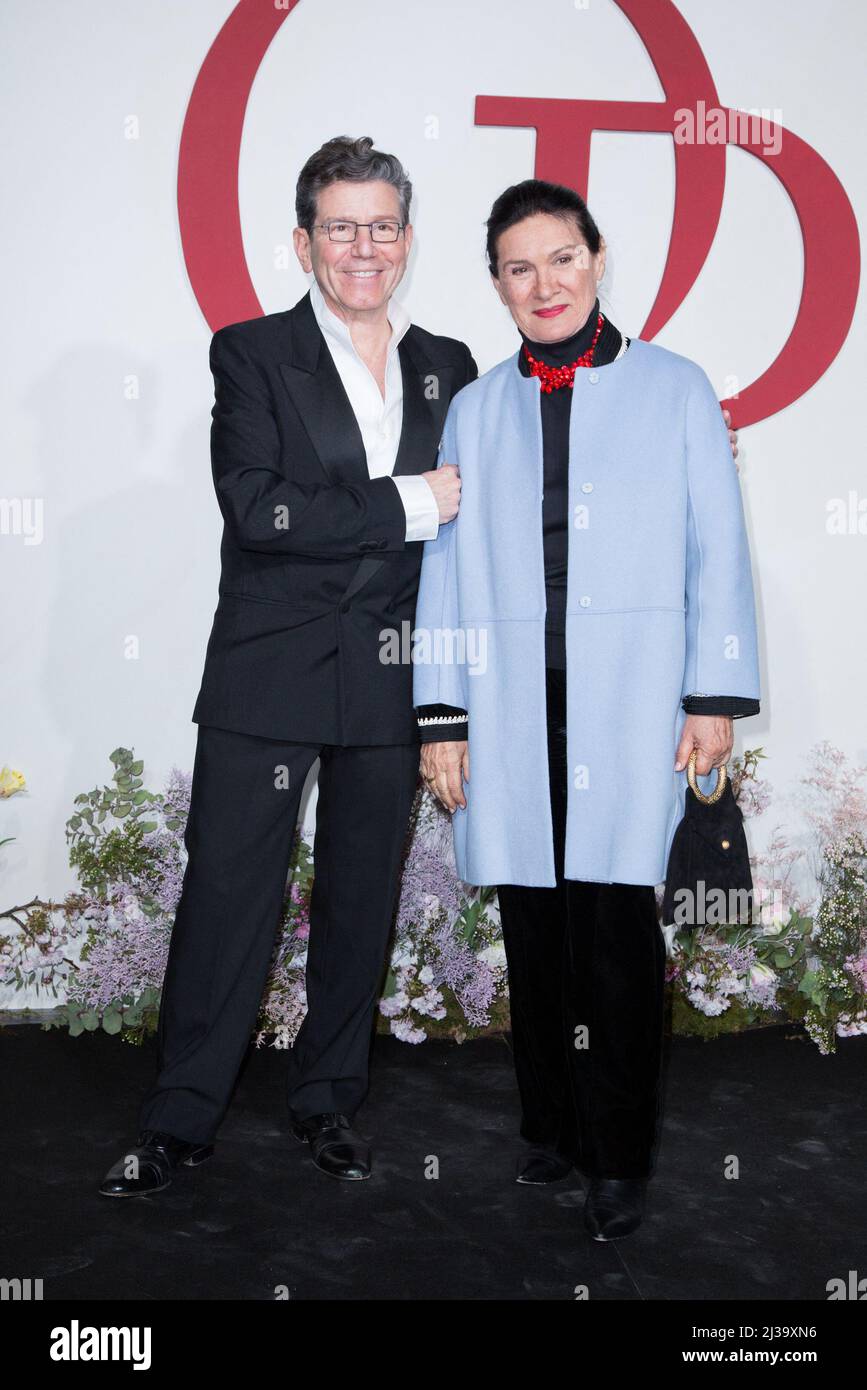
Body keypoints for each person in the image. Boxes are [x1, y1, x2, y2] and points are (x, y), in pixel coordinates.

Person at [99, 135, 471, 1196]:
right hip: (269, 666)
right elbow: (260, 513)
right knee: (228, 895)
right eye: (343, 226)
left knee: (363, 898)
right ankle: (180, 1119)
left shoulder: (450, 364)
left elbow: (486, 522)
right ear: (304, 240)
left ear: (407, 237)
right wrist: (410, 503)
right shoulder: (251, 352)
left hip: (392, 671)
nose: (365, 247)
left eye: (384, 225)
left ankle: (329, 1102)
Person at [413, 179, 760, 1241]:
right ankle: (550, 1130)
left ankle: (618, 1154)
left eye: (561, 257)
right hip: (514, 702)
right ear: (498, 286)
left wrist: (713, 697)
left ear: (599, 259)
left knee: (615, 930)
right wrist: (442, 713)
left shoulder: (675, 388)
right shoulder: (476, 407)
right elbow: (448, 573)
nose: (544, 282)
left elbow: (718, 550)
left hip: (635, 697)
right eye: (519, 267)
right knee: (534, 927)